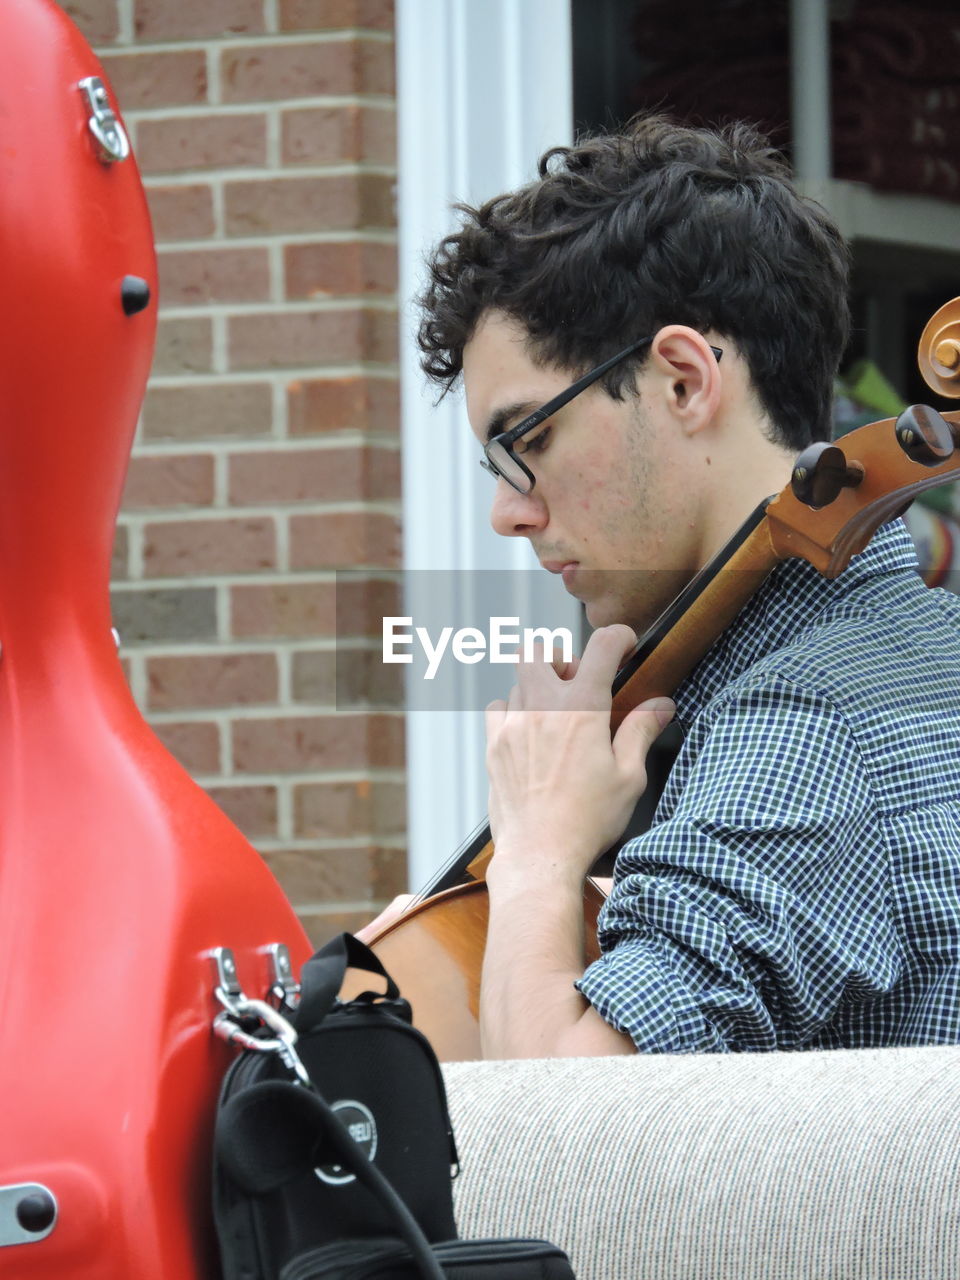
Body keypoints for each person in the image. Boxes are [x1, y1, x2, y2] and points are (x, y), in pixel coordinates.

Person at [363, 115, 960, 1059]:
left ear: (682, 381)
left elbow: (571, 1140)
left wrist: (535, 853)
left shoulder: (802, 724)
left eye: (530, 443)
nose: (508, 515)